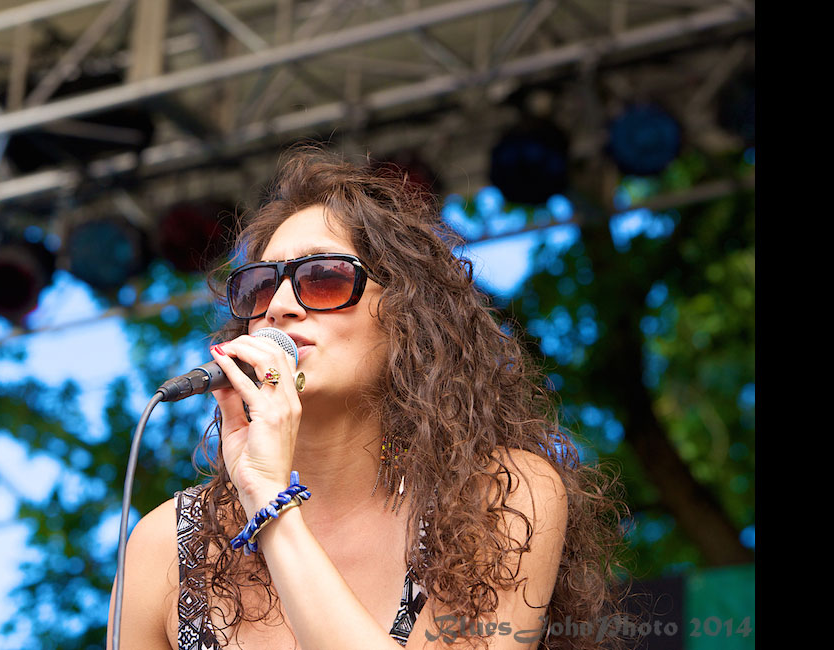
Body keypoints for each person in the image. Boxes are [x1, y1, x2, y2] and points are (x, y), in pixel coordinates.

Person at [108, 144, 631, 649]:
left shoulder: (498, 498)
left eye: (324, 278)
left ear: (406, 317)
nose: (280, 305)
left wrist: (270, 505)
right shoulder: (167, 548)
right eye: (260, 286)